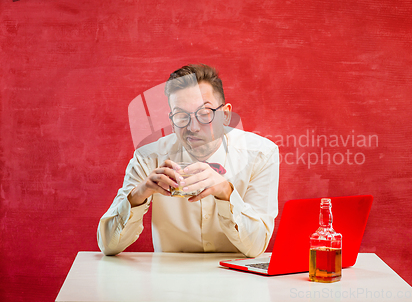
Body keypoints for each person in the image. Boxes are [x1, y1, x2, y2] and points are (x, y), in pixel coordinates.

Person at [97, 64, 279, 257]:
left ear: (225, 115)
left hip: (238, 277)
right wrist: (139, 194)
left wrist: (226, 193)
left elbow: (256, 247)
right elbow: (109, 246)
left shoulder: (261, 154)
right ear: (171, 119)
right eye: (181, 116)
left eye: (205, 113)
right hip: (170, 279)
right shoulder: (149, 157)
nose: (193, 127)